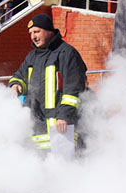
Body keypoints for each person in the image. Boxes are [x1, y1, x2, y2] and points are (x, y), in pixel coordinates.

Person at [8, 13, 87, 155]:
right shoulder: (32, 56)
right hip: (38, 125)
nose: (33, 37)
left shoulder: (67, 53)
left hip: (61, 126)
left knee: (63, 169)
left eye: (37, 31)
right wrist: (16, 84)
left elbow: (74, 89)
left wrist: (65, 115)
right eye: (31, 33)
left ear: (49, 31)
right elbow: (20, 75)